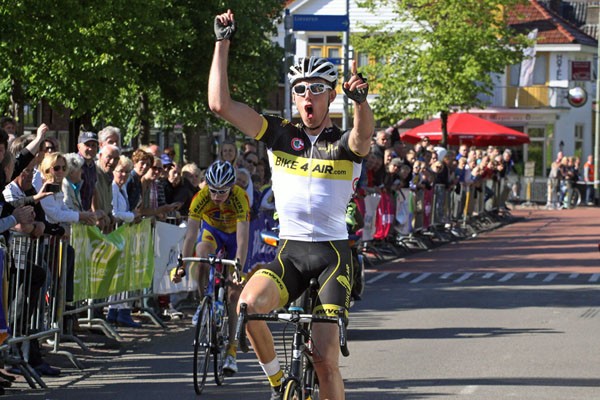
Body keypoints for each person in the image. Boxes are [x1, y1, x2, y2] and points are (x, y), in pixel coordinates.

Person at [203, 9, 374, 400]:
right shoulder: (279, 134)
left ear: (331, 95)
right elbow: (220, 104)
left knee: (324, 360)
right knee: (247, 307)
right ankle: (282, 386)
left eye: (316, 89)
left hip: (332, 255)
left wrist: (361, 103)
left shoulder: (342, 143)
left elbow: (364, 137)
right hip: (291, 252)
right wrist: (222, 42)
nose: (307, 96)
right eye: (299, 89)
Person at [173, 160, 250, 377]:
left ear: (232, 187)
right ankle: (204, 300)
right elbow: (190, 234)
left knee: (234, 294)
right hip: (213, 233)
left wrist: (237, 269)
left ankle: (231, 352)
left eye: (222, 192)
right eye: (213, 190)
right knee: (201, 250)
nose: (216, 196)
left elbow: (243, 241)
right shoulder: (200, 198)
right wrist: (182, 264)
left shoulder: (240, 198)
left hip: (235, 237)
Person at [77, 131, 99, 211]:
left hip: (86, 213)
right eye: (87, 145)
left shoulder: (93, 165)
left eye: (93, 145)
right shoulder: (75, 164)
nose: (91, 148)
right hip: (76, 214)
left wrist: (94, 211)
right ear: (79, 147)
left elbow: (93, 191)